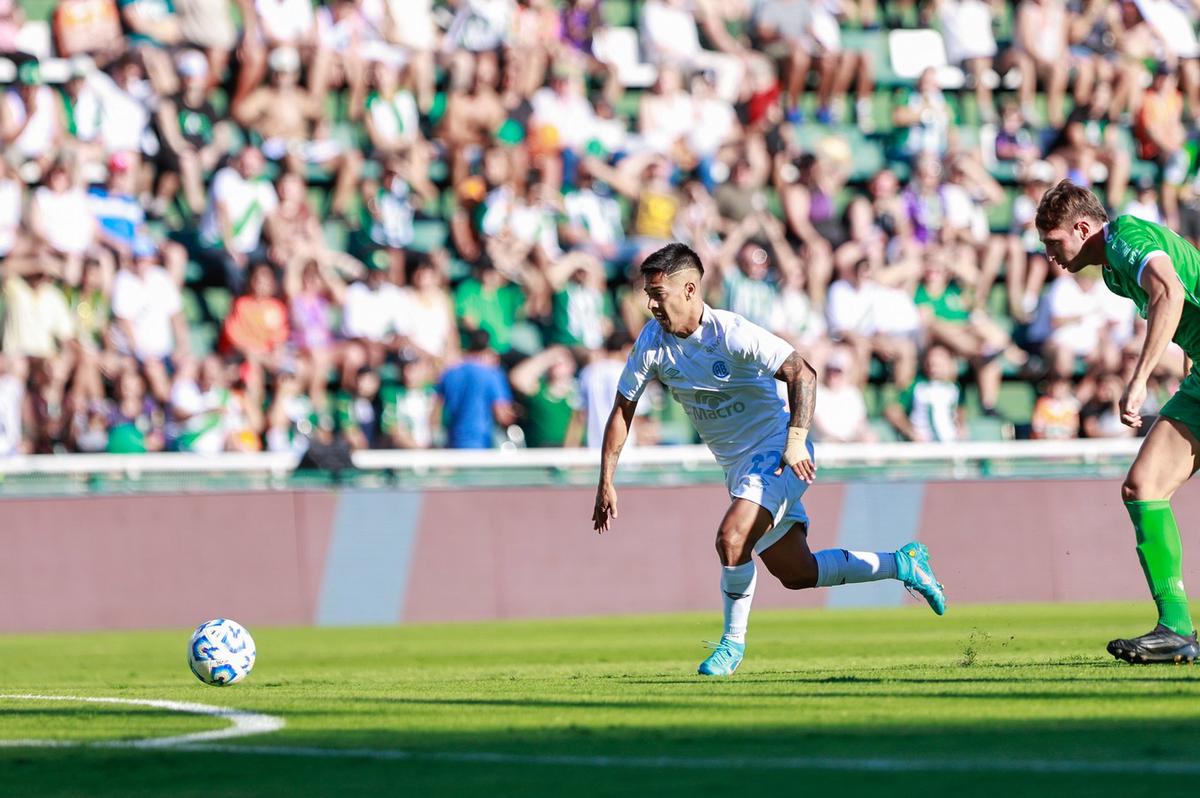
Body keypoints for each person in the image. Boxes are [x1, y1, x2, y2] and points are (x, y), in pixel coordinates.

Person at [590, 243, 946, 677]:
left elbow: (804, 374)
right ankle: (902, 563)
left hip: (779, 451)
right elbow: (623, 408)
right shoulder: (651, 342)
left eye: (658, 294)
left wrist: (795, 441)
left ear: (688, 289)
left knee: (730, 538)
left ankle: (730, 646)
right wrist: (607, 478)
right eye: (648, 294)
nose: (651, 304)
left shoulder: (733, 333)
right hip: (739, 468)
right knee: (797, 572)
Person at [1036, 179, 1200, 663]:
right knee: (1143, 487)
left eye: (1054, 243)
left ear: (1083, 227)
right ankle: (1176, 628)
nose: (1051, 255)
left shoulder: (1126, 237)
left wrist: (1138, 379)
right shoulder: (1112, 271)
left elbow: (1169, 291)